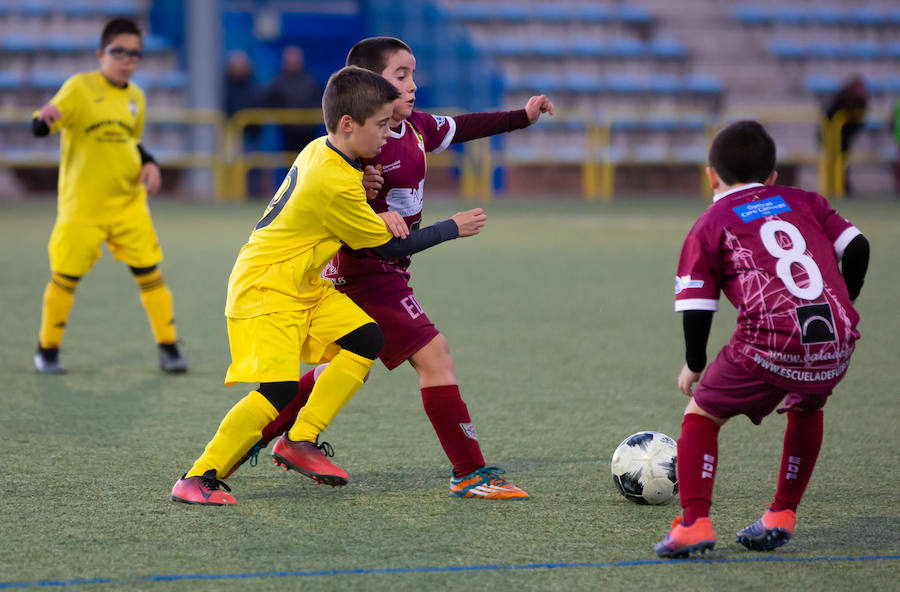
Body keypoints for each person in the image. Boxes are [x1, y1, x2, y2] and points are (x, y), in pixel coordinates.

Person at [223, 36, 555, 500]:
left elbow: (462, 126)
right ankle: (469, 472)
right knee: (434, 355)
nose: (413, 85)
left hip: (385, 269)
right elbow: (332, 192)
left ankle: (249, 448)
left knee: (340, 365)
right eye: (401, 76)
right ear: (370, 87)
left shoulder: (414, 127)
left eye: (413, 74)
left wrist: (522, 116)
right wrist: (367, 186)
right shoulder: (361, 144)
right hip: (367, 270)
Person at [170, 65, 488, 505]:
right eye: (380, 125)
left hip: (302, 283)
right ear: (347, 124)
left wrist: (365, 185)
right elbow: (391, 251)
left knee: (366, 339)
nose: (385, 135)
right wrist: (452, 227)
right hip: (267, 288)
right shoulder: (336, 183)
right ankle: (198, 476)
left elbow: (336, 198)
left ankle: (299, 439)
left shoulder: (323, 149)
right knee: (277, 391)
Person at [655, 120, 870, 558]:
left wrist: (695, 363)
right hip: (836, 337)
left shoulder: (710, 222)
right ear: (772, 177)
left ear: (710, 175)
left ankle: (694, 523)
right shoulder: (802, 199)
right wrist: (843, 302)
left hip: (771, 339)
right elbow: (859, 246)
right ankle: (781, 515)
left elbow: (697, 305)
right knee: (809, 403)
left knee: (702, 414)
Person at [30, 18, 187, 374]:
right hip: (82, 208)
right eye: (119, 52)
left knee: (151, 274)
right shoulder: (78, 88)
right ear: (101, 54)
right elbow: (43, 124)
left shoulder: (136, 97)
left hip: (128, 204)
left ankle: (169, 348)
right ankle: (47, 350)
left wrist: (149, 164)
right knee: (64, 278)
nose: (127, 60)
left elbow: (131, 141)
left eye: (135, 54)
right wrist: (42, 120)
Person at [264, 45, 322, 152]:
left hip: (308, 132)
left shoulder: (310, 81)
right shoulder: (277, 82)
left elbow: (318, 101)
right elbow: (270, 103)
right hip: (284, 134)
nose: (293, 62)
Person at [821, 76, 868, 195]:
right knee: (832, 161)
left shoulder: (862, 102)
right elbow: (829, 116)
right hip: (831, 135)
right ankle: (834, 187)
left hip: (845, 135)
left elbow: (859, 121)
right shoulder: (842, 99)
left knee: (842, 162)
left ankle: (842, 187)